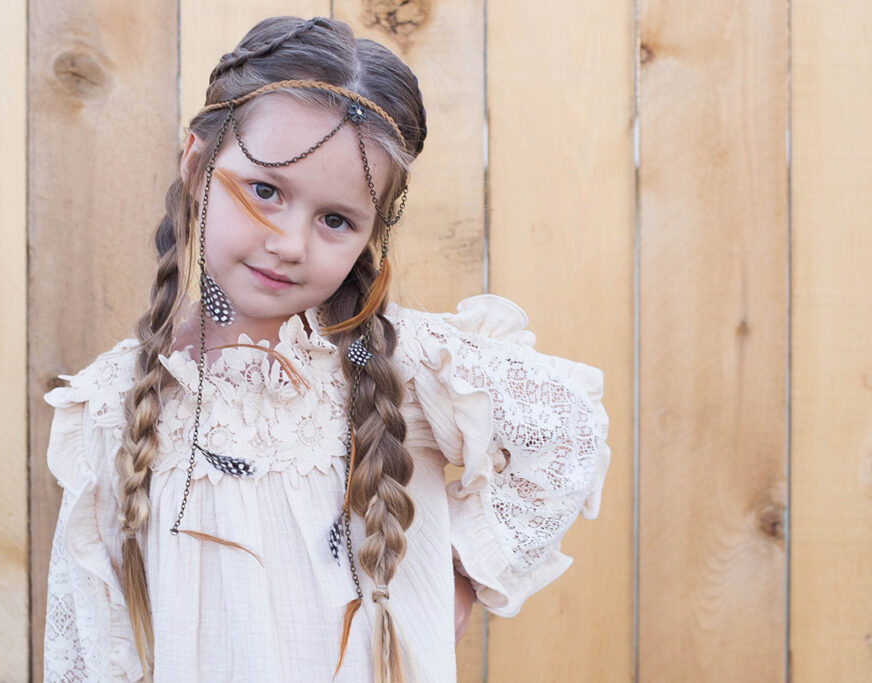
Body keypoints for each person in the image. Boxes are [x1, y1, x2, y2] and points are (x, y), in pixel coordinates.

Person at [42, 15, 611, 683]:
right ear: (197, 165)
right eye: (265, 191)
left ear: (370, 232)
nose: (291, 242)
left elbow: (568, 430)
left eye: (335, 219)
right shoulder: (115, 407)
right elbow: (89, 642)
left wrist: (458, 576)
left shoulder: (394, 365)